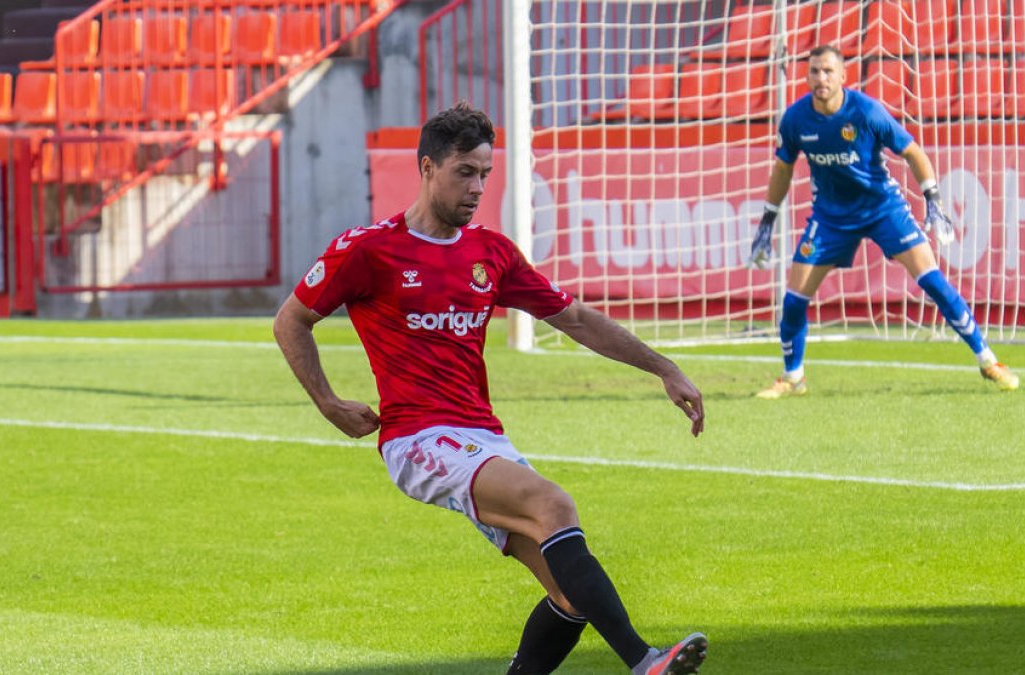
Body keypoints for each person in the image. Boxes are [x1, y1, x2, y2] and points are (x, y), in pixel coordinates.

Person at [273, 102, 708, 675]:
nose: (478, 188)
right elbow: (291, 320)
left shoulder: (491, 253)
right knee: (553, 503)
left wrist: (663, 367)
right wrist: (328, 404)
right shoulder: (369, 249)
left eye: (485, 174)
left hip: (482, 439)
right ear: (427, 167)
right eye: (465, 173)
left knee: (572, 593)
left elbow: (573, 318)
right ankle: (644, 662)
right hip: (418, 438)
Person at [748, 45, 1019, 398]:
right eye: (814, 71)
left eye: (828, 71)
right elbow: (783, 168)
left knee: (933, 280)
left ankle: (989, 361)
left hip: (882, 208)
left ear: (844, 76)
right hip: (831, 216)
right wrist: (768, 218)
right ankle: (792, 376)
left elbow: (912, 152)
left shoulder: (867, 111)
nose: (821, 78)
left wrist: (933, 199)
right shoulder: (796, 118)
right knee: (795, 297)